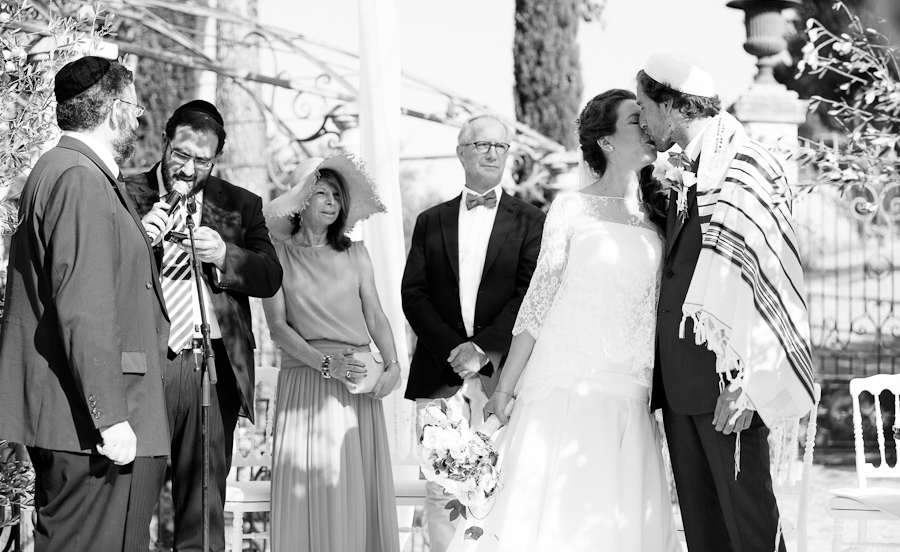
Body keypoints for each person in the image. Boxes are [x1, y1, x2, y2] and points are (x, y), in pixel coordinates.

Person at [447, 90, 679, 552]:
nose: (650, 125)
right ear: (608, 142)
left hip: (631, 392)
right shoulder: (571, 209)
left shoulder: (661, 215)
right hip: (564, 389)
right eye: (636, 119)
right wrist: (505, 390)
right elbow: (536, 307)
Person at [639, 53, 815, 552]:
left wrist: (747, 383)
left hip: (725, 388)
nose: (643, 120)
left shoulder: (745, 164)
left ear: (671, 106)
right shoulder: (680, 169)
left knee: (751, 529)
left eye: (644, 107)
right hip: (679, 390)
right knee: (704, 533)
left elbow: (768, 280)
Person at [0, 56, 170, 552]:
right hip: (93, 425)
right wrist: (111, 417)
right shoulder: (80, 178)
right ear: (115, 111)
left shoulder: (67, 170)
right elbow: (84, 306)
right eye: (135, 109)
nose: (140, 120)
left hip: (82, 418)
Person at [124, 100, 283, 552]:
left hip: (209, 369)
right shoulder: (124, 193)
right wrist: (141, 241)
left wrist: (224, 257)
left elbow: (270, 276)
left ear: (215, 159)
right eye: (181, 154)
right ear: (164, 141)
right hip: (144, 367)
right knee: (135, 501)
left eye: (202, 160)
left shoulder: (240, 205)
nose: (189, 167)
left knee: (203, 508)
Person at [402, 115, 545, 552]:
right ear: (460, 151)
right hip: (438, 371)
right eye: (481, 144)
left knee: (504, 480)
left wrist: (482, 350)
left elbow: (530, 295)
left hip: (502, 374)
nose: (491, 153)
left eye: (500, 146)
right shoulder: (431, 220)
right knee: (439, 485)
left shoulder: (532, 221)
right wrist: (454, 349)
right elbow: (414, 293)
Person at [261, 152, 402, 552]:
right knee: (307, 492)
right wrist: (325, 364)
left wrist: (393, 365)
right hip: (307, 382)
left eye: (337, 196)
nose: (331, 202)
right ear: (300, 201)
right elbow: (277, 328)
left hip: (356, 383)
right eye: (320, 192)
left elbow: (375, 314)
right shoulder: (276, 254)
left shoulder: (357, 253)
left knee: (355, 491)